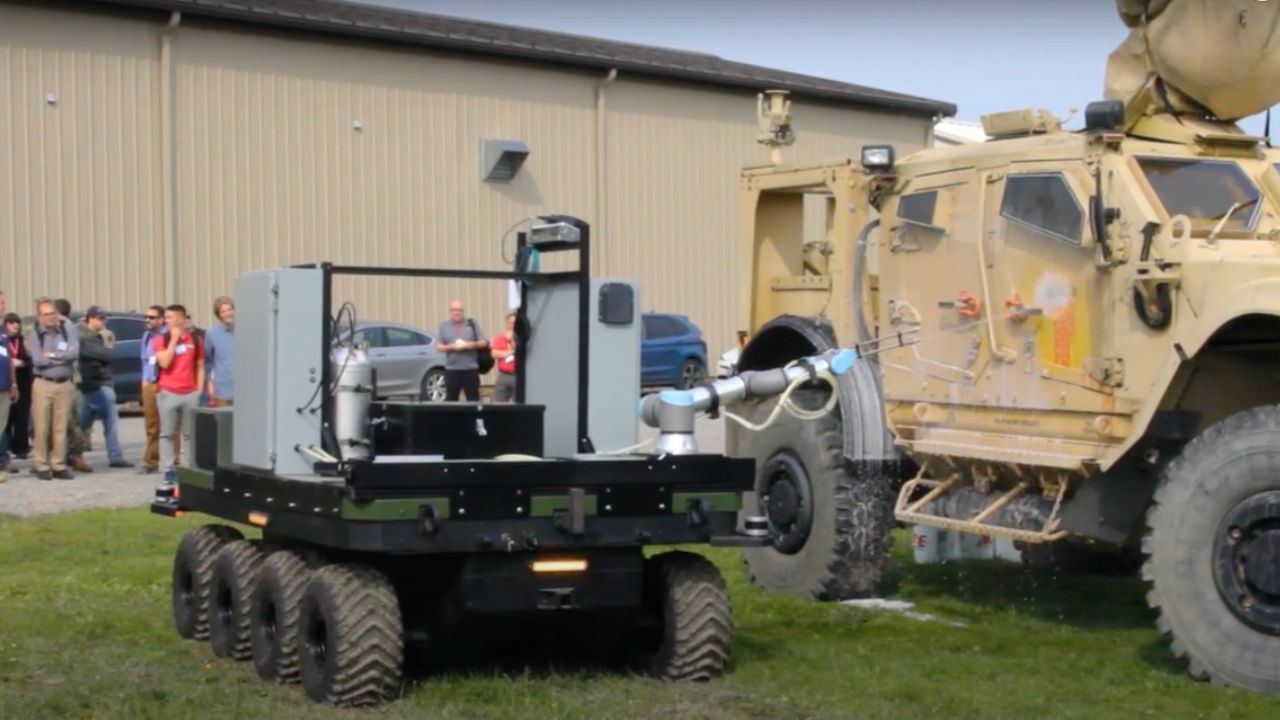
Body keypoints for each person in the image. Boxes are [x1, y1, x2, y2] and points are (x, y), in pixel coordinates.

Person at [27, 299, 79, 480]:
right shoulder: (35, 334)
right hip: (43, 383)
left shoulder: (67, 329)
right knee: (41, 427)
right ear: (39, 316)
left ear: (57, 313)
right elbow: (38, 361)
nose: (50, 317)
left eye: (52, 313)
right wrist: (62, 358)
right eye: (45, 314)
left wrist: (54, 356)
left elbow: (75, 353)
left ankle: (58, 464)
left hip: (65, 383)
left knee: (61, 427)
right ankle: (41, 465)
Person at [77, 306, 132, 469]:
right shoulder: (83, 337)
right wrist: (108, 345)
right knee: (85, 424)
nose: (103, 321)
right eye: (99, 318)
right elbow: (107, 355)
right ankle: (72, 454)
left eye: (104, 318)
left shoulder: (99, 336)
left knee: (96, 423)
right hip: (91, 385)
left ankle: (114, 456)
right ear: (90, 318)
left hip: (103, 383)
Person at [153, 304, 204, 481]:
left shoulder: (195, 339)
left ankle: (190, 468)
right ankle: (169, 468)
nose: (166, 321)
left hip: (190, 392)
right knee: (167, 432)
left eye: (170, 318)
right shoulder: (161, 339)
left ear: (181, 319)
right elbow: (164, 363)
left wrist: (199, 389)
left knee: (190, 433)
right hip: (168, 392)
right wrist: (174, 340)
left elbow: (200, 365)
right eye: (165, 318)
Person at [55, 298, 92, 472]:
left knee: (73, 420)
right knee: (72, 420)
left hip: (69, 379)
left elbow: (68, 353)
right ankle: (73, 455)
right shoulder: (71, 328)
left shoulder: (67, 328)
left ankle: (74, 456)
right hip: (70, 379)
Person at [437, 299, 488, 402]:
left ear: (463, 311)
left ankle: (473, 418)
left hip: (470, 369)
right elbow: (439, 346)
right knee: (451, 401)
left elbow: (484, 342)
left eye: (460, 310)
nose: (457, 312)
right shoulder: (443, 326)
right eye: (454, 310)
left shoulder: (472, 324)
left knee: (473, 400)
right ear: (450, 311)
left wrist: (469, 345)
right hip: (452, 370)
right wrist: (452, 347)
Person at [139, 305, 167, 474]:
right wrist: (144, 381)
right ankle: (150, 461)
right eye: (146, 317)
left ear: (161, 319)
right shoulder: (146, 336)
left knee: (171, 425)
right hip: (150, 383)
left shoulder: (168, 336)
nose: (147, 320)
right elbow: (144, 360)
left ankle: (174, 462)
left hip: (165, 383)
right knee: (151, 425)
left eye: (152, 317)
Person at [3, 312, 32, 471]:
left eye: (17, 322)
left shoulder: (22, 341)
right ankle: (4, 449)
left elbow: (30, 360)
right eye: (11, 322)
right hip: (6, 383)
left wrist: (22, 362)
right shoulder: (3, 340)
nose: (15, 325)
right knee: (6, 417)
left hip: (22, 382)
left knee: (22, 416)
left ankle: (21, 448)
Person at [205, 296, 235, 407]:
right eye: (223, 311)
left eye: (230, 310)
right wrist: (210, 384)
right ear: (218, 315)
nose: (228, 313)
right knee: (224, 423)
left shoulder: (246, 329)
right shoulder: (212, 333)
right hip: (223, 388)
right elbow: (208, 361)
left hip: (245, 388)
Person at [0, 303, 15, 484]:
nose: (2, 306)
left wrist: (14, 383)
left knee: (1, 426)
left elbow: (9, 358)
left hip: (4, 386)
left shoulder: (3, 330)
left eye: (3, 303)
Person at [490, 312, 517, 403]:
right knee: (499, 403)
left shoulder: (521, 339)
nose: (512, 325)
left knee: (519, 404)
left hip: (517, 375)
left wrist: (512, 340)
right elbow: (494, 354)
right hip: (503, 375)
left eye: (515, 323)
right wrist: (511, 352)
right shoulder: (499, 337)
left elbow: (522, 353)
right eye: (510, 323)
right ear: (507, 323)